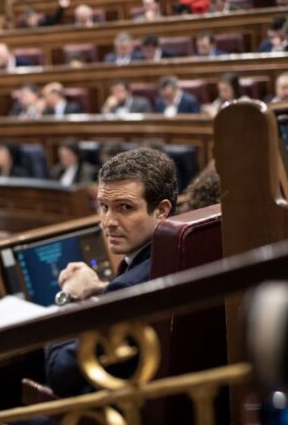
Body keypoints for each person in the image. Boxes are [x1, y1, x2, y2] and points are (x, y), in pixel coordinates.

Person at [45, 147, 177, 397]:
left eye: (125, 207)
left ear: (161, 210)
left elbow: (60, 373)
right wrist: (103, 290)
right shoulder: (178, 251)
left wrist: (68, 299)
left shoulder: (127, 288)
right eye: (103, 206)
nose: (108, 221)